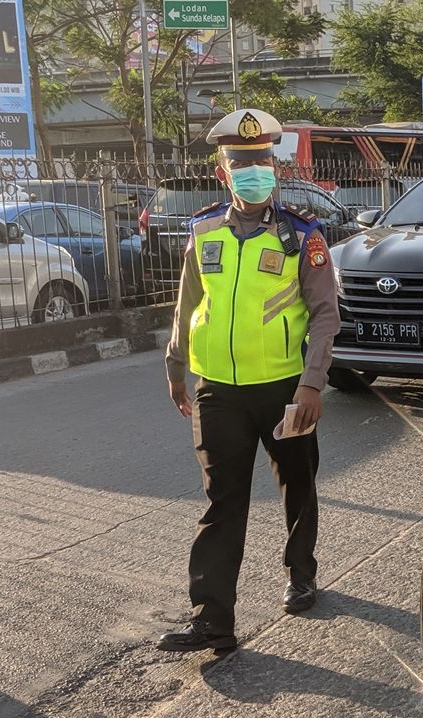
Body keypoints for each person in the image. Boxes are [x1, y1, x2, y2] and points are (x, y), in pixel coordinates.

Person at [158, 108, 341, 652]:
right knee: (223, 501)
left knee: (297, 485)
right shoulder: (204, 229)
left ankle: (301, 572)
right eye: (242, 163)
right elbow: (188, 301)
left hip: (285, 389)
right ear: (223, 171)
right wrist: (175, 362)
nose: (254, 171)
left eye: (262, 162)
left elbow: (325, 313)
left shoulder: (301, 236)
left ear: (276, 169)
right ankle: (213, 619)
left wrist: (312, 384)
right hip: (219, 390)